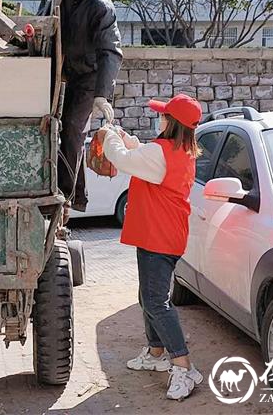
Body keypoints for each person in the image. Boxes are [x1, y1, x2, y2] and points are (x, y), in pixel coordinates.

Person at [100, 94, 204, 401]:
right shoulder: (178, 150)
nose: (159, 119)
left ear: (172, 123)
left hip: (158, 237)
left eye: (163, 115)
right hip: (161, 235)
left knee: (156, 302)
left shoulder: (162, 154)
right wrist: (123, 137)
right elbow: (142, 154)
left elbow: (123, 159)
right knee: (148, 296)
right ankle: (156, 353)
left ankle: (183, 366)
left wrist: (108, 137)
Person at [38, 0, 122, 216]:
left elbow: (111, 50)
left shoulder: (101, 5)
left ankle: (68, 196)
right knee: (44, 124)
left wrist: (102, 94)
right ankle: (44, 182)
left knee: (73, 129)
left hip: (89, 73)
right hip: (58, 66)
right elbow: (42, 24)